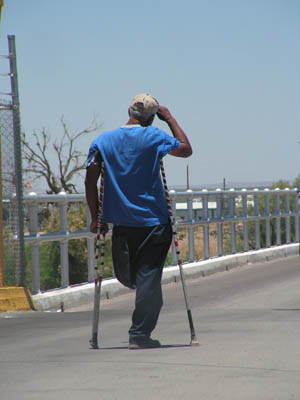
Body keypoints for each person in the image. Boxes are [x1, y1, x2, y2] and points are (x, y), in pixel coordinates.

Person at [85, 93, 192, 349]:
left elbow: (90, 179)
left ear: (129, 111)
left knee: (140, 277)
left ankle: (139, 333)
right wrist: (170, 119)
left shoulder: (103, 141)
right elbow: (185, 149)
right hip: (153, 221)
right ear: (152, 118)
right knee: (144, 279)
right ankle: (140, 330)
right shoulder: (154, 136)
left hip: (122, 223)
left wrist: (95, 214)